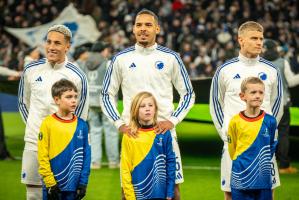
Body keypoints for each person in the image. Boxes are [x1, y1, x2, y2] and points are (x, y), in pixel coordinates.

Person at [100, 9, 195, 199]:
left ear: (157, 29)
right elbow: (105, 94)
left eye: (148, 25)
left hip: (164, 133)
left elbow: (188, 93)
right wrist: (120, 124)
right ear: (133, 29)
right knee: (128, 190)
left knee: (173, 191)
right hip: (134, 135)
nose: (143, 29)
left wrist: (173, 121)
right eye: (139, 25)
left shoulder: (171, 58)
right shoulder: (121, 59)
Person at [210, 21, 283, 200]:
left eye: (261, 39)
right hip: (234, 143)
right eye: (254, 38)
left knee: (267, 192)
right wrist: (227, 134)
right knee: (230, 193)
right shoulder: (225, 70)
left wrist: (267, 133)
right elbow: (215, 104)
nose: (259, 43)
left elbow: (277, 105)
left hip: (262, 144)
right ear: (241, 40)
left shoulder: (272, 70)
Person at [18, 24, 89, 200]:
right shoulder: (31, 70)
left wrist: (62, 135)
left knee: (61, 194)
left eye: (57, 43)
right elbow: (23, 103)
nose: (51, 47)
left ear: (67, 47)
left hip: (63, 146)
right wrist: (39, 130)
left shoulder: (78, 76)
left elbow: (81, 114)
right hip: (34, 141)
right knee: (33, 193)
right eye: (48, 42)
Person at [38, 79, 91, 200]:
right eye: (68, 97)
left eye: (75, 97)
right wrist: (50, 183)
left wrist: (83, 183)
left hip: (74, 186)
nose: (74, 100)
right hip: (53, 186)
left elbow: (87, 155)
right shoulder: (47, 123)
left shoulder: (82, 125)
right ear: (57, 100)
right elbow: (42, 155)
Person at [227, 77, 277, 200]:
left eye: (261, 92)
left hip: (263, 179)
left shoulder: (270, 121)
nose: (257, 96)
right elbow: (232, 149)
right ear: (242, 96)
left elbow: (272, 145)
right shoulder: (235, 121)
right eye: (253, 92)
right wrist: (243, 162)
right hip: (240, 178)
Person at [121, 91, 176, 200]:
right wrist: (130, 197)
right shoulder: (129, 136)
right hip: (138, 195)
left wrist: (169, 192)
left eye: (150, 105)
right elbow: (125, 169)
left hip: (160, 194)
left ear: (155, 109)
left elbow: (171, 162)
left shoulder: (164, 133)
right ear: (135, 110)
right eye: (142, 106)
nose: (147, 108)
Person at [263, 39, 299, 174]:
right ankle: (284, 165)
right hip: (282, 104)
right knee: (283, 134)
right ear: (276, 49)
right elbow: (291, 81)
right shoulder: (283, 62)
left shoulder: (259, 63)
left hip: (264, 105)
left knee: (265, 135)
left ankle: (264, 166)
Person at [82, 41, 119, 169]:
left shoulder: (85, 63)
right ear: (103, 51)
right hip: (106, 101)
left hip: (91, 100)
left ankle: (95, 162)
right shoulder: (108, 63)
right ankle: (113, 161)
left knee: (94, 132)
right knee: (111, 132)